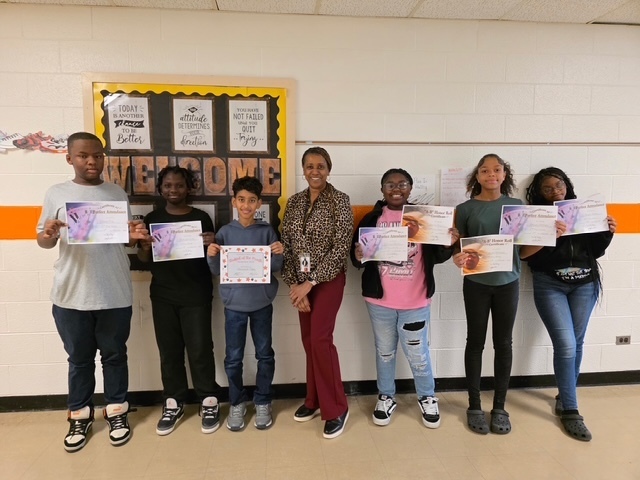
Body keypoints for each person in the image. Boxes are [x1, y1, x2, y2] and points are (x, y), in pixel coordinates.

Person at [36, 131, 147, 452]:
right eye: (84, 155)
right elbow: (44, 242)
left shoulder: (116, 193)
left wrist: (136, 235)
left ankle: (116, 410)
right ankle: (79, 415)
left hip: (114, 292)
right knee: (80, 359)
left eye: (97, 155)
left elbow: (123, 239)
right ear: (69, 158)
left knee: (114, 357)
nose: (92, 161)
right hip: (71, 294)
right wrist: (49, 232)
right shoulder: (56, 194)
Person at [350, 168, 458, 428]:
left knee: (418, 353)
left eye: (402, 184)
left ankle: (427, 397)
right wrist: (358, 253)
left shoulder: (423, 217)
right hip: (380, 302)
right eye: (390, 184)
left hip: (415, 302)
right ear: (382, 189)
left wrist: (449, 242)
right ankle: (386, 396)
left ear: (410, 189)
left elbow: (440, 256)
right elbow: (357, 261)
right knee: (385, 352)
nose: (396, 188)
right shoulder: (371, 218)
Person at [522, 167, 616, 441]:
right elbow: (527, 257)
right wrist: (549, 235)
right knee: (566, 345)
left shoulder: (583, 210)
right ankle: (571, 410)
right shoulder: (536, 217)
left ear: (567, 185)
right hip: (550, 284)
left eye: (558, 184)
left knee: (577, 341)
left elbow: (594, 250)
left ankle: (565, 397)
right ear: (539, 192)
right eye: (548, 188)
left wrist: (607, 232)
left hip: (585, 285)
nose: (555, 190)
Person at [452, 153, 539, 435]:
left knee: (504, 343)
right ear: (477, 176)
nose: (491, 174)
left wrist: (549, 239)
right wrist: (456, 256)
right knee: (475, 342)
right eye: (485, 170)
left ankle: (500, 407)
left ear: (504, 175)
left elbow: (524, 252)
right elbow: (458, 248)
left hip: (508, 284)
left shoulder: (516, 206)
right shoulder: (465, 209)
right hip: (476, 284)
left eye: (497, 170)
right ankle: (474, 405)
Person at [137, 166, 220, 436]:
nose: (174, 190)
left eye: (179, 185)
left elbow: (213, 257)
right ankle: (173, 401)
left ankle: (208, 399)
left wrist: (211, 243)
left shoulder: (201, 218)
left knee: (200, 350)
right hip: (163, 295)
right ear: (160, 189)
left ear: (189, 188)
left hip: (196, 293)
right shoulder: (153, 218)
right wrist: (147, 246)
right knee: (169, 351)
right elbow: (143, 261)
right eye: (168, 186)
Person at [281, 146, 353, 439]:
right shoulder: (295, 202)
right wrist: (295, 286)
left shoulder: (340, 201)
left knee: (321, 340)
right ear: (303, 169)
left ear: (328, 168)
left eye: (320, 166)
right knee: (309, 341)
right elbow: (287, 243)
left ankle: (336, 407)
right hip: (301, 282)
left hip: (328, 280)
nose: (315, 171)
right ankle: (313, 400)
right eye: (309, 166)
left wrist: (310, 283)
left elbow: (341, 248)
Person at [207, 176, 283, 432]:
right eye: (242, 200)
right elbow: (218, 270)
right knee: (233, 358)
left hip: (261, 302)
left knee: (264, 354)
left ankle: (263, 401)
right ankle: (237, 402)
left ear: (259, 203)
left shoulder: (267, 232)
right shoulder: (225, 233)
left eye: (252, 200)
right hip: (234, 305)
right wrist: (211, 256)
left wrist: (278, 254)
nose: (247, 205)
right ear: (234, 201)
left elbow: (275, 268)